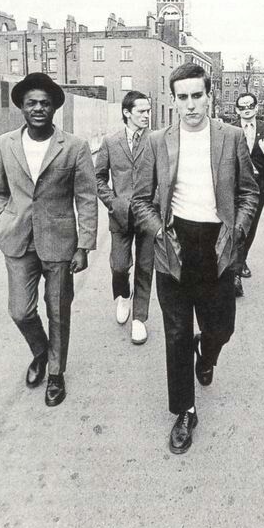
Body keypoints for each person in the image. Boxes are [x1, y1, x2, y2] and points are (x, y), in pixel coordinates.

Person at [132, 63, 259, 454]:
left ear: (210, 96)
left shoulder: (231, 136)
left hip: (216, 245)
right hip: (173, 245)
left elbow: (250, 192)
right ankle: (185, 410)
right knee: (176, 333)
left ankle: (208, 353)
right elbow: (138, 200)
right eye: (182, 97)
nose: (190, 105)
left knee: (222, 327)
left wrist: (236, 230)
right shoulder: (157, 141)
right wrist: (158, 231)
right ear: (173, 100)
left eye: (197, 96)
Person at [0, 73, 98, 407]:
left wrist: (84, 246)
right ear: (22, 107)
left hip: (60, 243)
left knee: (58, 313)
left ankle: (55, 373)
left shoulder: (75, 146)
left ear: (54, 107)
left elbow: (86, 197)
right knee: (20, 311)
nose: (38, 108)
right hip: (19, 240)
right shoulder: (4, 143)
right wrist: (3, 217)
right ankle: (40, 352)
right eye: (31, 103)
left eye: (45, 103)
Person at [95, 91, 154, 345]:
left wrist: (158, 205)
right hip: (120, 215)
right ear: (127, 113)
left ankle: (139, 318)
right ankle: (123, 295)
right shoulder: (111, 141)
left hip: (149, 215)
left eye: (148, 111)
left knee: (145, 266)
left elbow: (165, 175)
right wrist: (113, 202)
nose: (147, 115)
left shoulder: (156, 140)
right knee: (119, 265)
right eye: (141, 111)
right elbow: (98, 178)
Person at [232, 92, 264, 296]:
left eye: (250, 105)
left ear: (257, 108)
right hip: (234, 187)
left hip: (257, 187)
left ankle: (241, 261)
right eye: (242, 106)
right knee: (236, 226)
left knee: (250, 228)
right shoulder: (230, 129)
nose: (246, 109)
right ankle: (235, 273)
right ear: (237, 110)